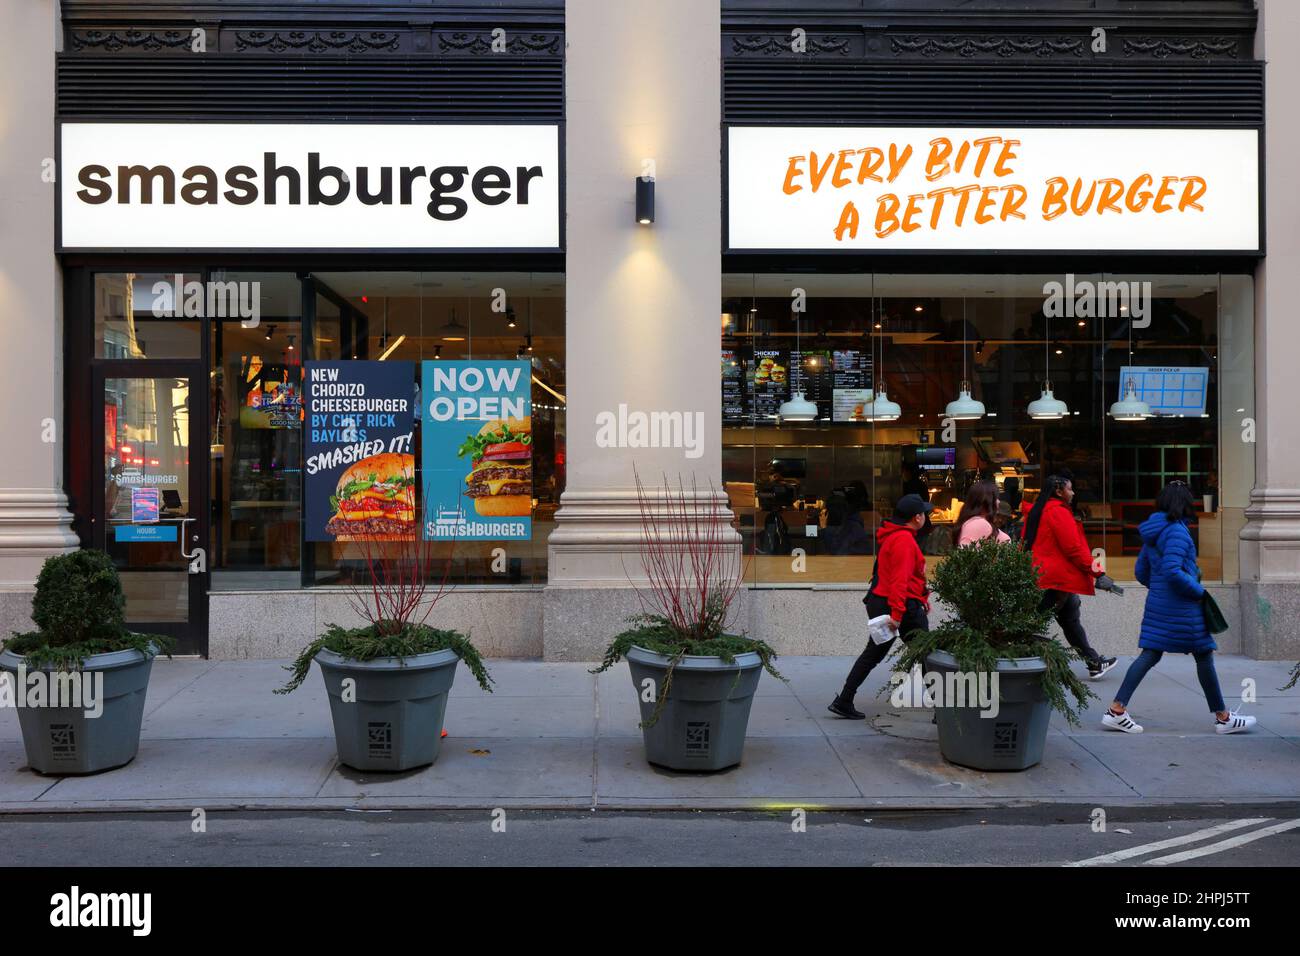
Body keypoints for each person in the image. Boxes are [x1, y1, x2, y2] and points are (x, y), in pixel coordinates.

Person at [1103, 481, 1255, 734]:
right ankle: (1223, 718)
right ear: (1184, 503)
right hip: (1183, 607)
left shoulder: (1154, 531)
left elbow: (1141, 572)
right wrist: (1197, 590)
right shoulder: (1176, 531)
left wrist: (1161, 589)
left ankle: (1116, 709)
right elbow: (1173, 571)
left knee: (1151, 654)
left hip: (1161, 604)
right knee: (1204, 654)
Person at [828, 494, 933, 719]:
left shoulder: (894, 535)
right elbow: (899, 581)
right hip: (900, 606)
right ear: (916, 517)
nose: (926, 516)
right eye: (924, 513)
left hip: (887, 602)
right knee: (927, 654)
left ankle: (844, 699)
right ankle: (944, 711)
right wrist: (897, 614)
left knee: (874, 654)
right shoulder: (904, 540)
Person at [1021, 474, 1119, 679]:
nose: (1073, 493)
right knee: (1030, 624)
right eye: (1070, 489)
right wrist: (1098, 572)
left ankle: (1094, 662)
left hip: (1046, 577)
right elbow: (1074, 548)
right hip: (1056, 579)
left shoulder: (1040, 511)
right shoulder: (1058, 512)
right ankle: (1014, 659)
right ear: (1059, 491)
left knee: (1069, 618)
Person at [953, 480, 1010, 548]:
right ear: (986, 502)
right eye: (995, 498)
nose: (998, 502)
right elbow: (969, 555)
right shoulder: (979, 523)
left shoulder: (974, 522)